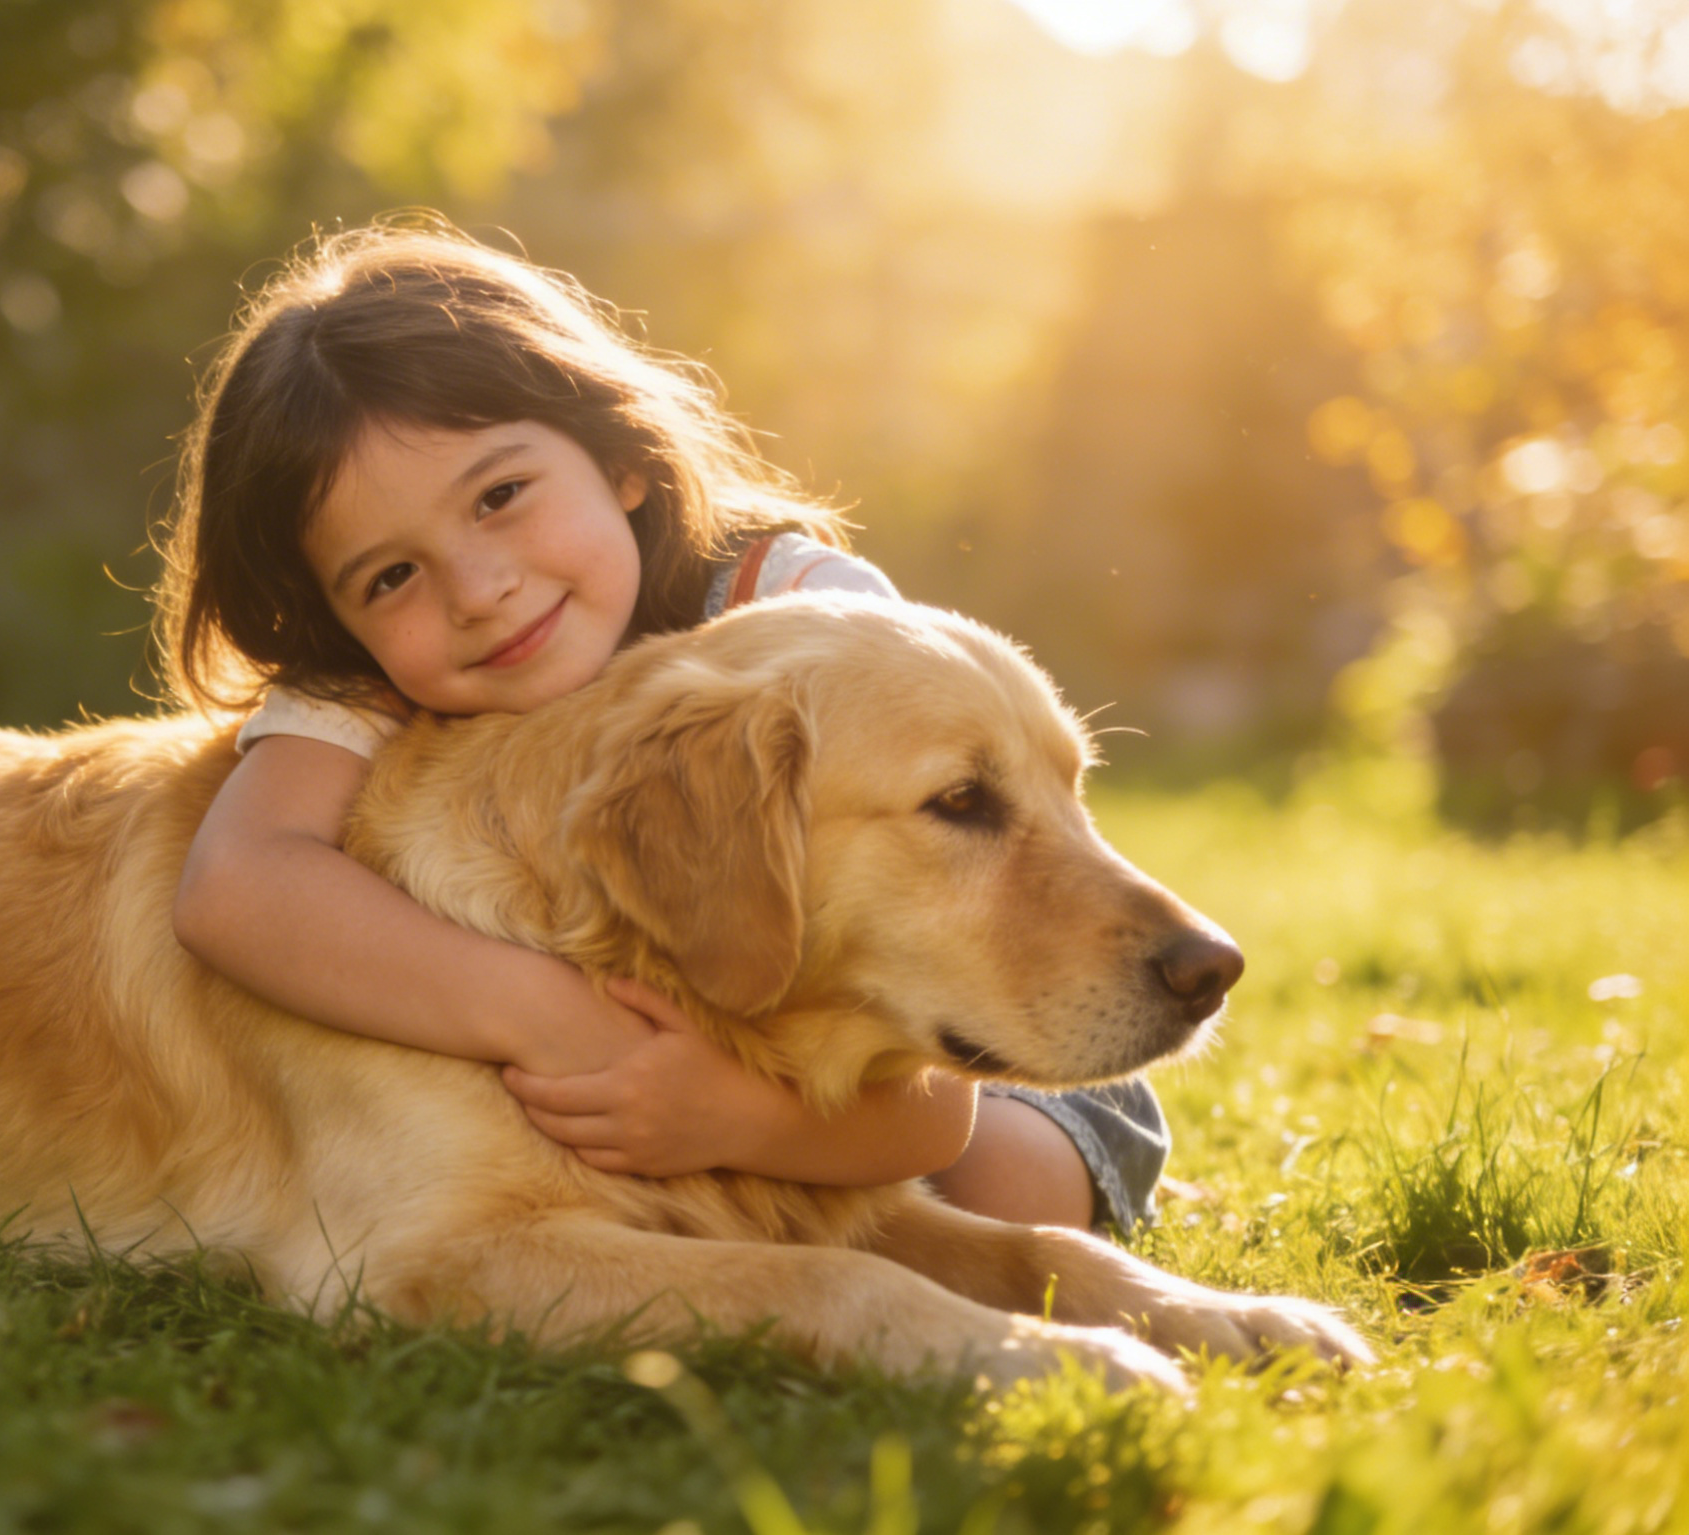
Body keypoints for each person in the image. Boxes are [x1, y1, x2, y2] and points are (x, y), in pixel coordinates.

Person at [152, 221, 1167, 1236]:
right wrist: (556, 1023)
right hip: (667, 1026)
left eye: (501, 495)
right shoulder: (381, 672)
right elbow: (239, 884)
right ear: (342, 619)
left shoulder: (805, 622)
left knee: (1005, 1183)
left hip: (951, 1031)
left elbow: (935, 1116)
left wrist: (736, 1121)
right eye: (391, 574)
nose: (479, 588)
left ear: (622, 459)